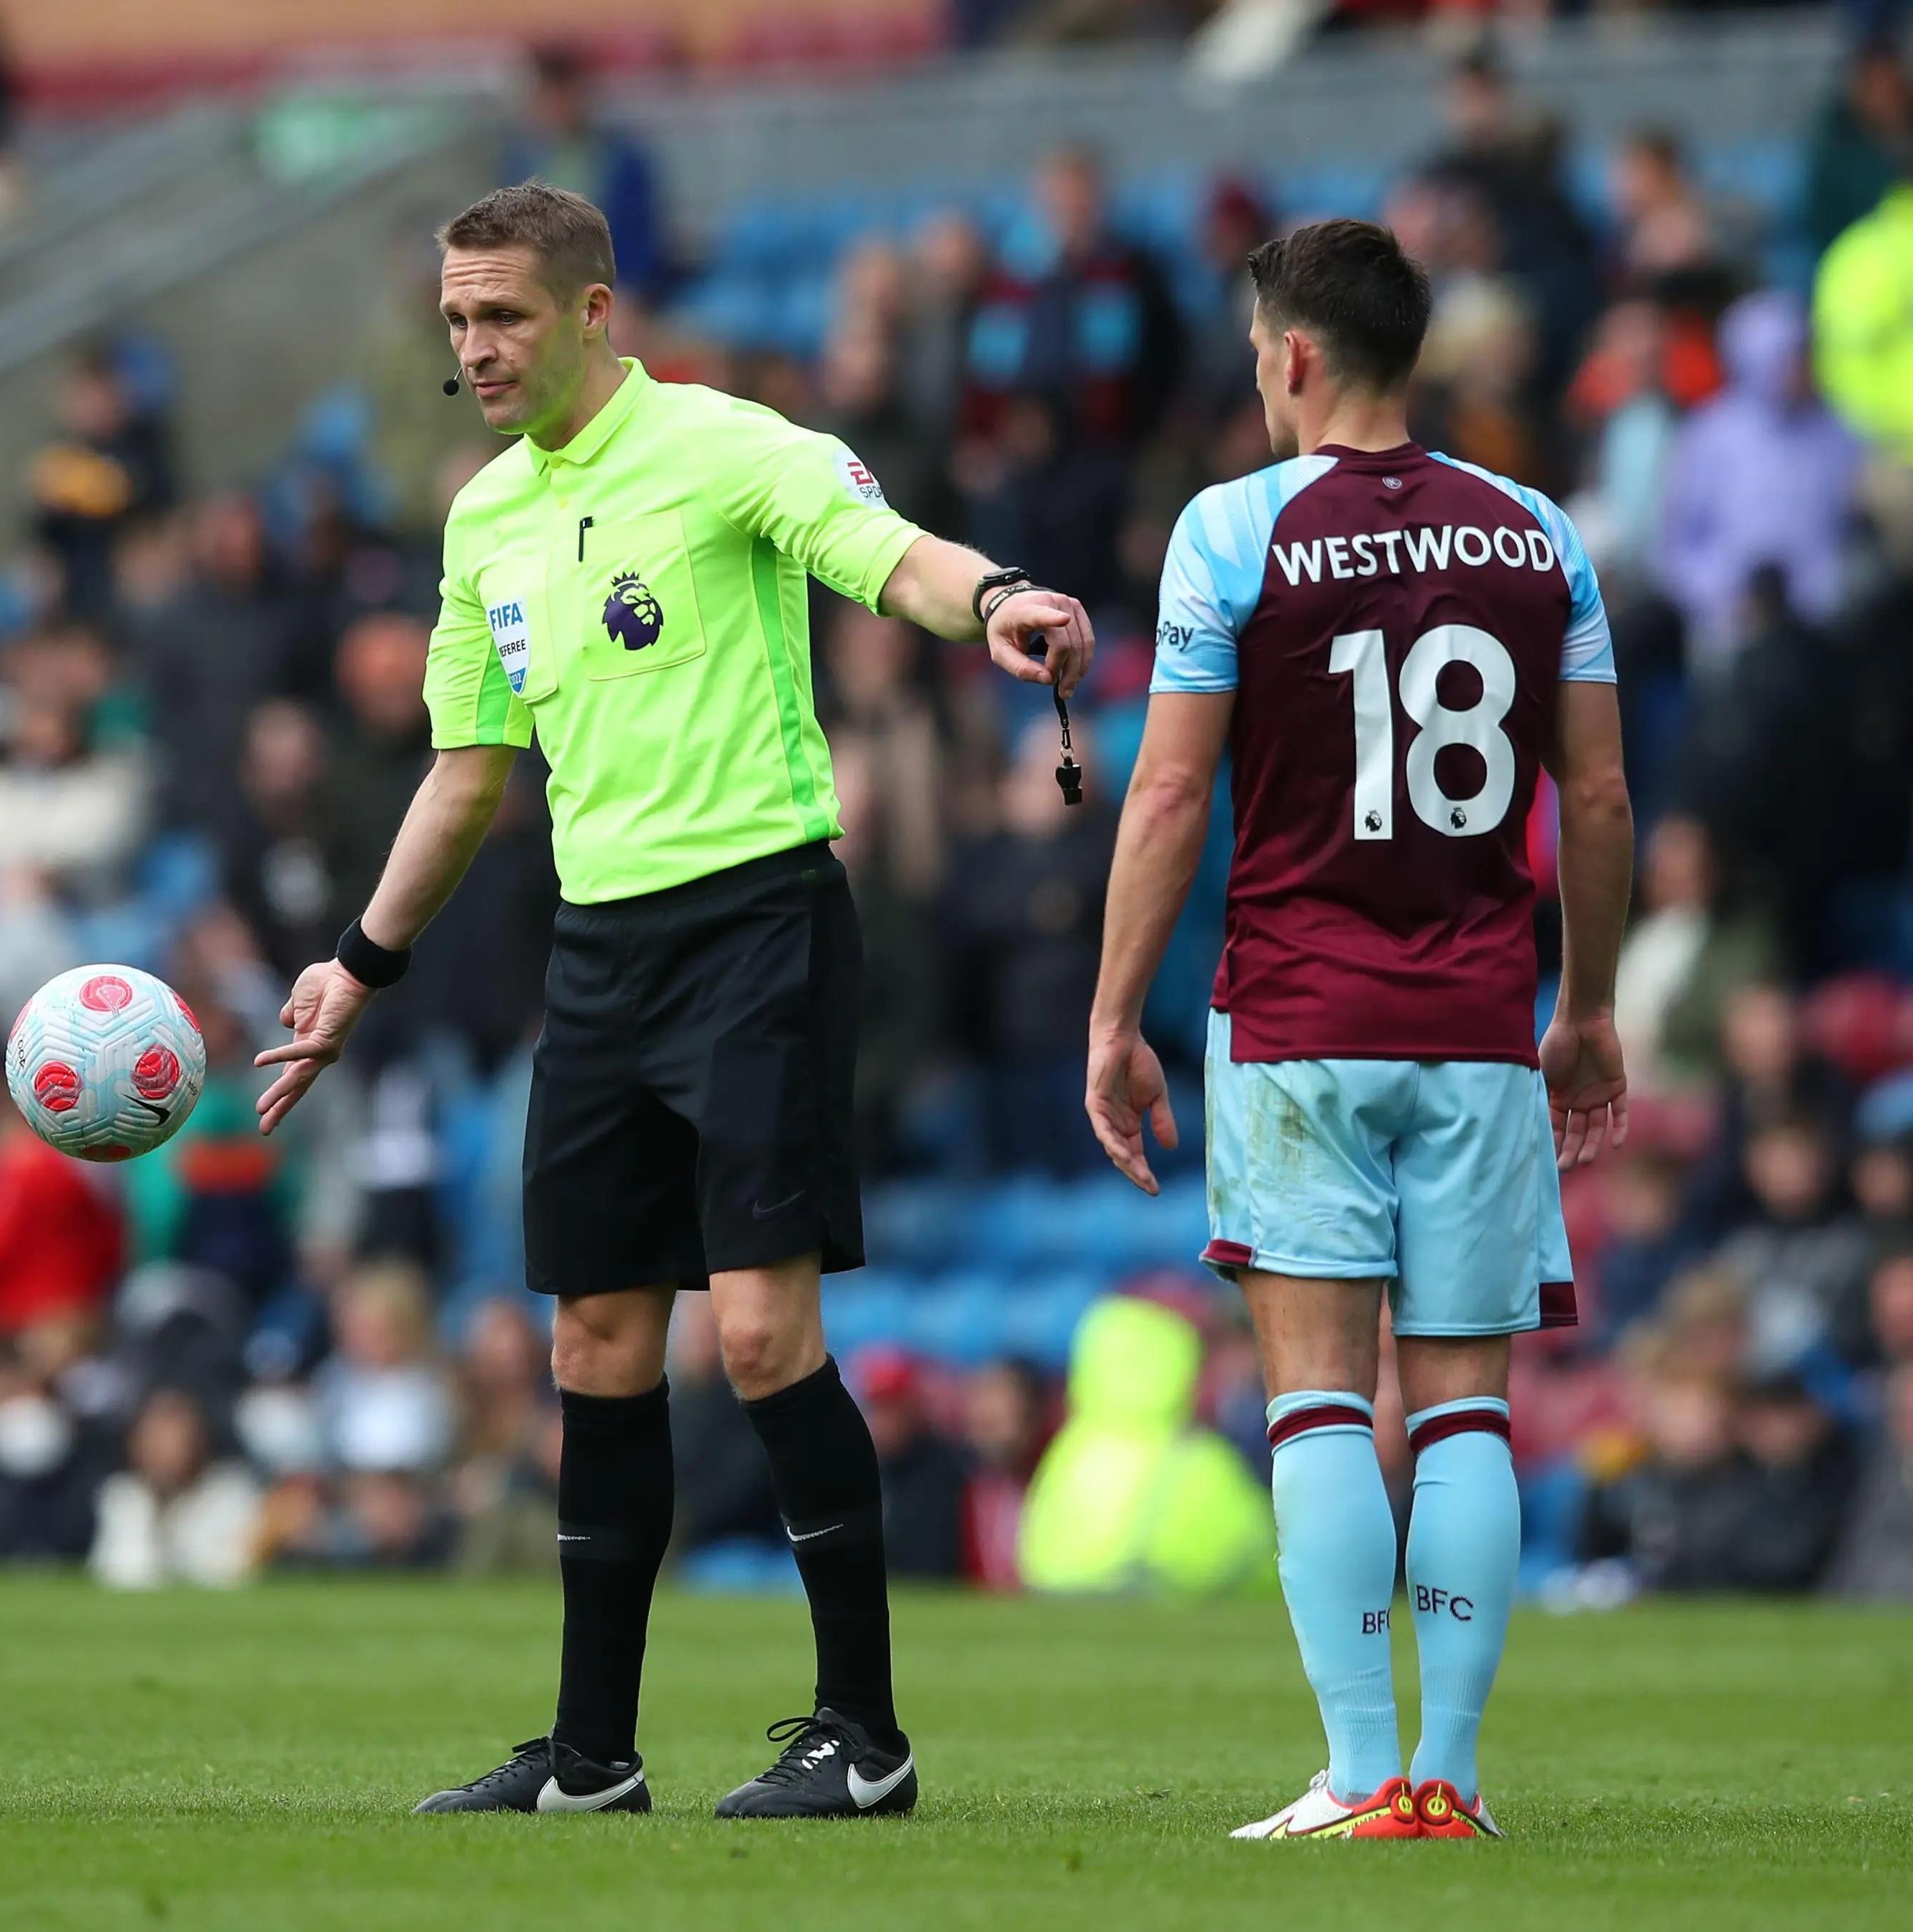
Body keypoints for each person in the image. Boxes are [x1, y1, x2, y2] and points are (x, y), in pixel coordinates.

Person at [252, 182, 1095, 1821]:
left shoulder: (727, 445)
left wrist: (995, 599)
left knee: (765, 1335)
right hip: (603, 951)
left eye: (501, 317)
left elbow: (886, 552)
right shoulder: (483, 517)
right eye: (455, 323)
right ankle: (591, 1760)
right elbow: (468, 771)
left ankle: (867, 1737)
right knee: (597, 1342)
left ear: (590, 312)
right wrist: (356, 965)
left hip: (758, 921)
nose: (475, 348)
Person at [1085, 219, 1633, 1841]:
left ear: (1299, 355)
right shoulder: (1540, 533)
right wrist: (1584, 1005)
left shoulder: (1232, 529)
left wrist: (1116, 1014)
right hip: (1476, 1022)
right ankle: (1447, 1783)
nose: (1258, 375)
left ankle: (1351, 1769)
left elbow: (1175, 784)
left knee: (1321, 1395)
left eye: (1262, 351)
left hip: (1303, 1020)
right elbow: (1593, 792)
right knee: (1463, 1399)